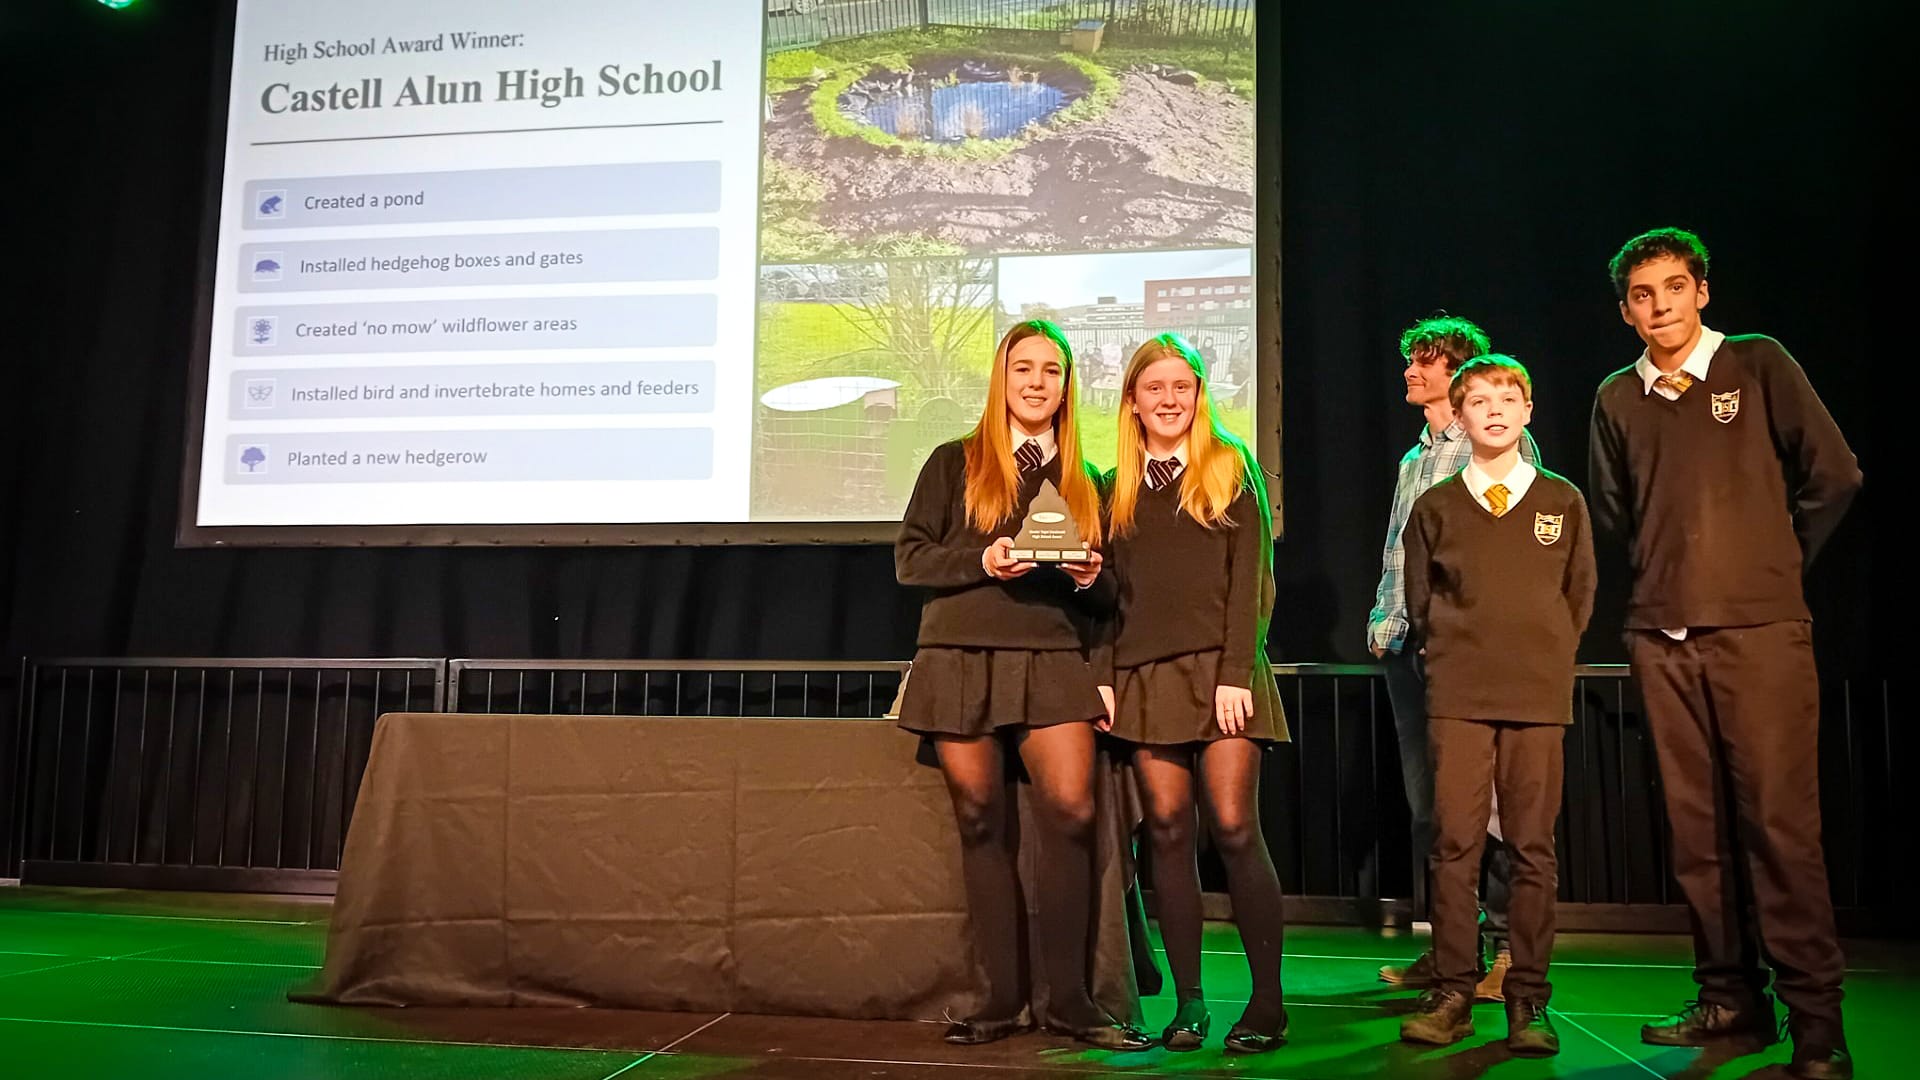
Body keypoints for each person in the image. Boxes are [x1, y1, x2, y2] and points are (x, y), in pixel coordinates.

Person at [1590, 228, 1861, 1079]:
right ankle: (1729, 1000)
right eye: (1642, 294)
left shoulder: (1757, 363)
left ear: (1702, 291)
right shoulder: (1615, 398)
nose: (1660, 305)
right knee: (1697, 834)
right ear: (1626, 310)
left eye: (1674, 287)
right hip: (1662, 639)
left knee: (1779, 829)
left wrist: (1773, 565)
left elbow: (1836, 476)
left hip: (1761, 635)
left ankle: (1819, 1026)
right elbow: (1612, 516)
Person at [894, 320, 1152, 1052]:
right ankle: (1001, 999)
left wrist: (1092, 578)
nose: (1037, 382)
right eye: (1024, 369)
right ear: (1001, 379)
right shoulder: (955, 462)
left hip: (1051, 660)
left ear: (1067, 386)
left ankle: (1070, 1002)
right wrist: (988, 558)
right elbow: (911, 561)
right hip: (960, 656)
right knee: (980, 822)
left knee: (1070, 814)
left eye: (1051, 371)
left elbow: (1107, 604)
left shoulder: (1087, 481)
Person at [1399, 356, 1595, 1055]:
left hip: (1537, 698)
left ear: (1528, 411)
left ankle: (1529, 1001)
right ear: (1461, 415)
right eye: (1479, 400)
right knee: (1456, 844)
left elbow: (1579, 595)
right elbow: (1420, 601)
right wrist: (1458, 655)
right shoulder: (1436, 507)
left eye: (1509, 397)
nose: (1495, 409)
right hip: (1459, 695)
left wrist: (1539, 656)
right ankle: (1453, 989)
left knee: (1533, 849)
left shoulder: (1562, 501)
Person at [1100, 333, 1289, 1053]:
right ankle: (1188, 1006)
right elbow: (1110, 598)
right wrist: (1105, 677)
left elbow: (1253, 583)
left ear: (1199, 394)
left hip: (1224, 675)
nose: (1170, 400)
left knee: (1236, 828)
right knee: (1169, 835)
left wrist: (1235, 674)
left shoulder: (1229, 467)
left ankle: (1267, 1005)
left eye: (1183, 387)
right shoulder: (1112, 485)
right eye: (1156, 389)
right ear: (1134, 402)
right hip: (1144, 681)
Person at [1367, 315, 1538, 998]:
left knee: (1485, 808)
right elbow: (1397, 552)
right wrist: (1383, 619)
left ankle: (1503, 954)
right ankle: (1449, 948)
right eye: (1410, 359)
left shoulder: (1497, 441)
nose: (1411, 370)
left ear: (1459, 372)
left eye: (1425, 360)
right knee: (1430, 808)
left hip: (1463, 653)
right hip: (1403, 647)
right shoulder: (1415, 458)